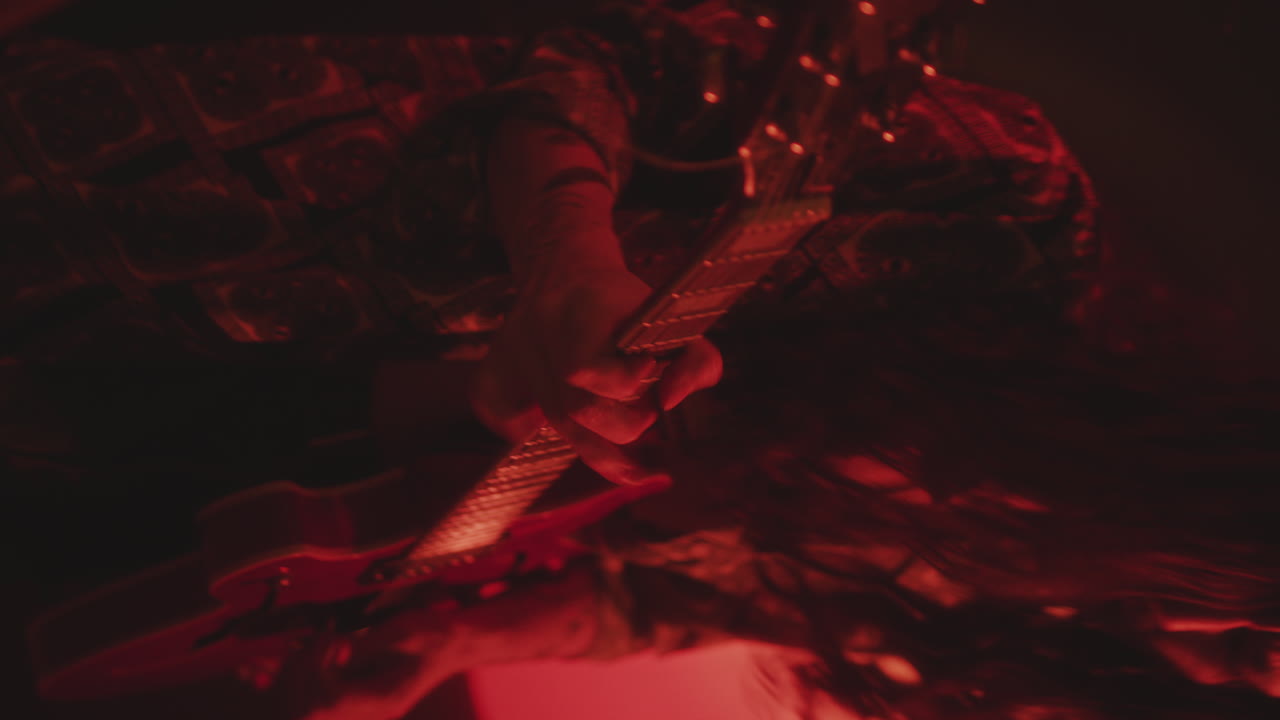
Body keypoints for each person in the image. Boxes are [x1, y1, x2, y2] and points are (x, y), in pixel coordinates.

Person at [4, 1, 1277, 718]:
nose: (1260, 667)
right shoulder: (1019, 223)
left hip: (230, 421)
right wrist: (565, 263)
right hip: (250, 220)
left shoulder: (1029, 610)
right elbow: (595, 46)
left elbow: (687, 595)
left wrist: (446, 648)